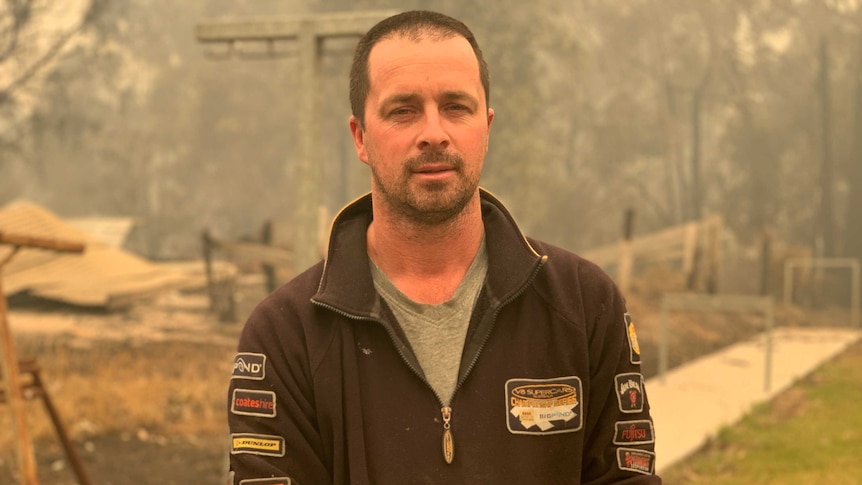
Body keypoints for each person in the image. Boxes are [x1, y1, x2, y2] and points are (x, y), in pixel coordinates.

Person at [227, 10, 660, 484]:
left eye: (456, 106)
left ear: (487, 127)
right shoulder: (285, 336)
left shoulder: (583, 305)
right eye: (403, 110)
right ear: (361, 137)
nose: (433, 132)